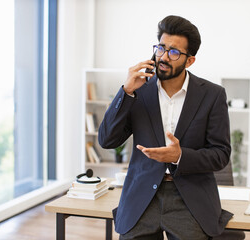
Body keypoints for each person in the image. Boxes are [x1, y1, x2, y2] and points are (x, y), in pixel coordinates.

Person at [98, 15, 233, 240]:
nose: (163, 57)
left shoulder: (212, 95)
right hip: (141, 197)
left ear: (189, 61)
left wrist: (181, 156)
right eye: (161, 48)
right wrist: (126, 91)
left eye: (173, 52)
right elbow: (107, 140)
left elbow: (221, 155)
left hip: (189, 197)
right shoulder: (138, 91)